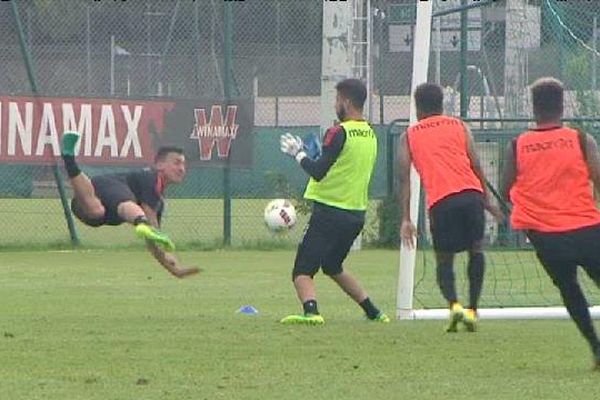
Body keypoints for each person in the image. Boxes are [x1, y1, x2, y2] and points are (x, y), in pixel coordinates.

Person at [501, 77, 600, 369]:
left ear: (534, 108)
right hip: (586, 228)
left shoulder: (517, 145)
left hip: (546, 235)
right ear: (562, 106)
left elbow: (505, 188)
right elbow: (597, 176)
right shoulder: (581, 139)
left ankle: (595, 347)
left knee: (569, 288)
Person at [278, 78, 389, 325]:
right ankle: (374, 312)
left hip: (330, 211)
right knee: (332, 265)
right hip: (356, 214)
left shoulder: (338, 132)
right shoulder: (370, 133)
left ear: (346, 102)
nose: (335, 105)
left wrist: (299, 154)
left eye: (337, 100)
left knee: (302, 271)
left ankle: (311, 312)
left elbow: (318, 171)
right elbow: (343, 165)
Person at [399, 83, 502, 332]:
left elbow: (403, 179)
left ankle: (454, 305)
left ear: (417, 106)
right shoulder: (459, 125)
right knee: (476, 250)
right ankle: (473, 309)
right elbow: (476, 164)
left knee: (444, 259)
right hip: (471, 196)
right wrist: (488, 201)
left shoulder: (409, 136)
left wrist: (405, 218)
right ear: (442, 103)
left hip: (442, 202)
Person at [60, 131, 198, 279]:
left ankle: (69, 159)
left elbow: (153, 239)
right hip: (105, 186)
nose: (182, 169)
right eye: (177, 163)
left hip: (87, 205)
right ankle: (69, 158)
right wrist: (151, 232)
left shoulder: (158, 201)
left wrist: (175, 270)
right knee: (126, 205)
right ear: (159, 164)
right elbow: (150, 223)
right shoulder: (149, 177)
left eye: (184, 164)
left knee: (96, 211)